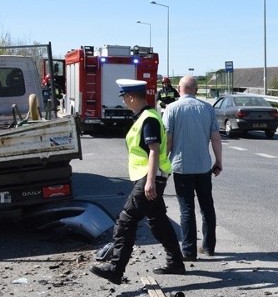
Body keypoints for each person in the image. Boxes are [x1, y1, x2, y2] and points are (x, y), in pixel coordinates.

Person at [90, 79, 185, 285]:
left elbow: (154, 150)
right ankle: (176, 261)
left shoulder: (148, 119)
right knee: (158, 220)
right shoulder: (144, 117)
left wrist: (150, 181)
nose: (123, 100)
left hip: (150, 177)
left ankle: (115, 269)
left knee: (126, 221)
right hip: (151, 176)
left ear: (132, 97)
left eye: (124, 97)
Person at [162, 76, 223, 259]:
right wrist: (219, 161)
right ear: (196, 89)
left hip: (181, 167)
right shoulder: (207, 108)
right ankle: (209, 247)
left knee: (186, 209)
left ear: (179, 89)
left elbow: (168, 140)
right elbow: (216, 138)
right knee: (207, 207)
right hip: (203, 166)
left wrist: (163, 164)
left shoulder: (171, 109)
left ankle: (188, 250)